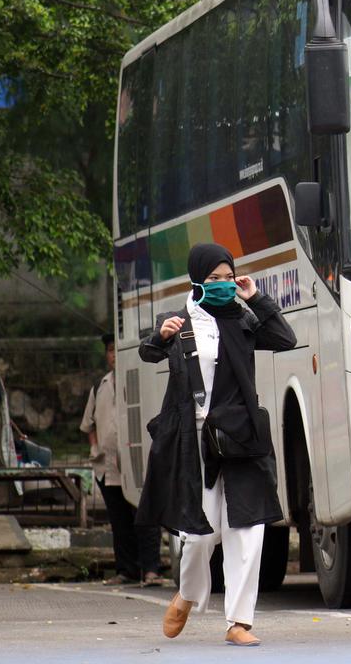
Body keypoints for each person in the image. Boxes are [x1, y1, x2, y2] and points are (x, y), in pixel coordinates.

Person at [136, 243, 296, 647]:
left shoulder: (243, 318)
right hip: (195, 441)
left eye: (229, 277)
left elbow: (284, 338)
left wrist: (255, 297)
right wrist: (160, 335)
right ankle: (188, 594)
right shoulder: (179, 319)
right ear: (196, 280)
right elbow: (148, 351)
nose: (224, 285)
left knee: (248, 526)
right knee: (200, 533)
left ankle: (239, 621)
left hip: (242, 436)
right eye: (215, 279)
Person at [81, 333, 162, 587]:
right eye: (110, 350)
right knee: (119, 521)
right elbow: (88, 425)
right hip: (108, 466)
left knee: (145, 517)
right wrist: (94, 450)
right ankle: (126, 569)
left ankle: (151, 570)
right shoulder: (99, 386)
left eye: (118, 349)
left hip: (137, 464)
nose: (114, 354)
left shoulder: (140, 380)